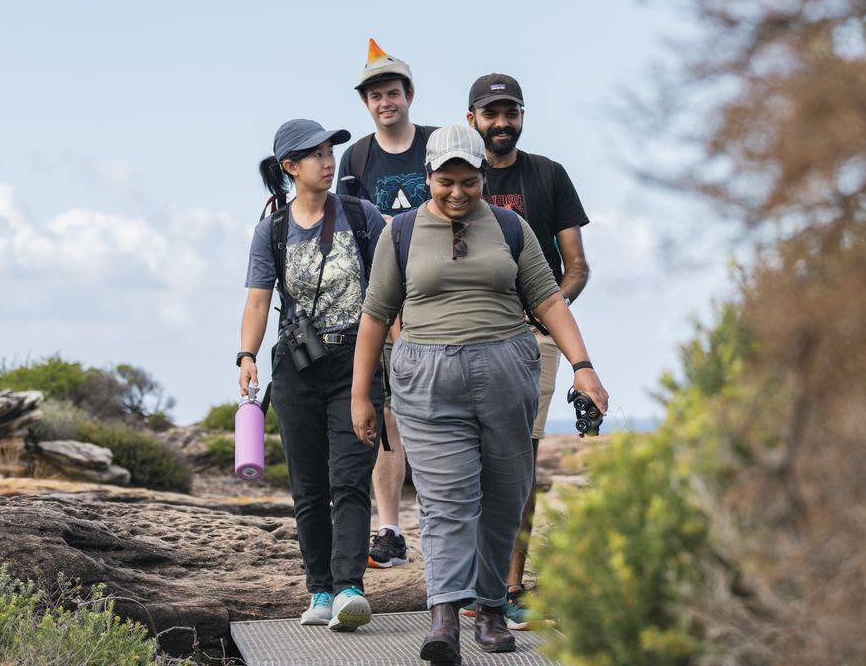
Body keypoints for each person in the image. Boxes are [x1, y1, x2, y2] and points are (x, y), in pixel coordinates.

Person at [350, 124, 608, 664]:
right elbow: (374, 315)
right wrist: (361, 395)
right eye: (446, 182)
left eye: (469, 182)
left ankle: (490, 607)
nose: (458, 193)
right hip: (426, 378)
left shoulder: (511, 227)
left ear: (482, 178)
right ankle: (444, 616)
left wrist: (583, 367)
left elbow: (549, 299)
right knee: (447, 502)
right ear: (429, 178)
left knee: (505, 496)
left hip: (507, 369)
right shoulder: (398, 232)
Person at [238, 119, 387, 632]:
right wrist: (246, 355)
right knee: (308, 487)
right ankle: (319, 591)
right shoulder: (272, 230)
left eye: (330, 152)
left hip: (357, 363)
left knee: (349, 479)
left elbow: (396, 279)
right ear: (289, 168)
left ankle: (349, 588)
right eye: (316, 154)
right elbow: (259, 299)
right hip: (297, 368)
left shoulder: (362, 216)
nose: (328, 161)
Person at [463, 73, 591, 629]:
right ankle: (471, 585)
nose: (501, 122)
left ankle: (512, 588)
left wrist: (544, 308)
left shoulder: (549, 175)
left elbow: (577, 266)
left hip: (535, 341)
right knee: (465, 463)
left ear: (522, 115)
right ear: (472, 120)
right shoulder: (457, 178)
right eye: (490, 113)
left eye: (510, 111)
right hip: (465, 337)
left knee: (519, 465)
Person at [337, 38, 436, 571]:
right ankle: (391, 530)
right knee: (385, 416)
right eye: (375, 95)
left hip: (438, 297)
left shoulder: (438, 145)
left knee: (441, 416)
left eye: (392, 92)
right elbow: (350, 230)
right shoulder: (355, 157)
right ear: (366, 103)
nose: (384, 102)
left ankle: (446, 530)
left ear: (409, 96)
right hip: (379, 299)